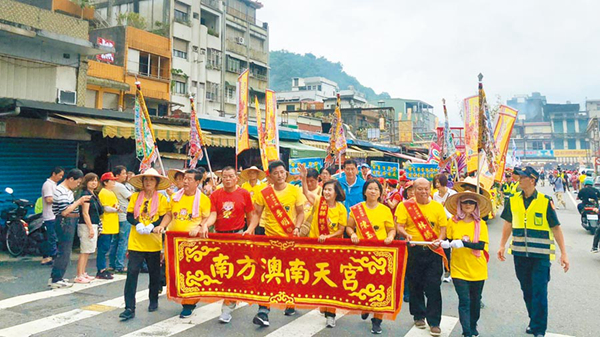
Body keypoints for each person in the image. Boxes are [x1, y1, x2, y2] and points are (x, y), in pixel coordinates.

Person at [498, 166, 569, 337]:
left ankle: (539, 329)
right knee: (527, 290)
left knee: (539, 292)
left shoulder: (545, 201)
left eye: (522, 177)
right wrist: (502, 245)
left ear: (532, 180)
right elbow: (508, 223)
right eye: (518, 177)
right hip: (520, 254)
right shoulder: (513, 199)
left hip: (541, 256)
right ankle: (534, 320)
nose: (519, 179)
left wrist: (564, 253)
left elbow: (556, 228)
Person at [244, 160, 306, 327]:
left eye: (282, 172)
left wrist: (298, 227)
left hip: (290, 239)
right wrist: (250, 229)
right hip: (270, 240)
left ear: (286, 173)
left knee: (289, 273)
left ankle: (290, 301)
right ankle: (263, 311)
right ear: (270, 176)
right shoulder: (264, 193)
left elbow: (300, 213)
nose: (280, 175)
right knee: (267, 274)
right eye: (276, 173)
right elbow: (256, 214)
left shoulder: (295, 191)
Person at [197, 166, 254, 323]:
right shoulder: (215, 195)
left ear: (236, 178)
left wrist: (250, 232)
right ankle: (231, 299)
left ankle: (227, 307)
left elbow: (250, 214)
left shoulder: (244, 194)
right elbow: (213, 214)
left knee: (234, 271)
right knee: (221, 271)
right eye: (225, 176)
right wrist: (205, 225)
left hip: (237, 236)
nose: (228, 179)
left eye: (231, 176)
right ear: (221, 178)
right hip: (220, 237)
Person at [155, 169, 211, 318]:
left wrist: (199, 227)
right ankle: (179, 296)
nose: (185, 181)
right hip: (174, 242)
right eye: (184, 179)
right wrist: (162, 226)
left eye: (189, 179)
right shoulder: (175, 197)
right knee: (175, 273)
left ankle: (189, 303)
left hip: (192, 245)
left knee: (190, 274)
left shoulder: (203, 199)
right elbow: (169, 214)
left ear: (198, 182)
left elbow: (207, 218)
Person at [395, 178, 448, 337]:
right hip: (414, 249)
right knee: (415, 283)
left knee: (433, 286)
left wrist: (439, 239)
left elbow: (443, 229)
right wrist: (406, 235)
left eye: (426, 189)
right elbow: (399, 225)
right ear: (414, 190)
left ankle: (434, 322)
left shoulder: (437, 207)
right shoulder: (405, 206)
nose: (423, 192)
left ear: (430, 189)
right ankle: (418, 315)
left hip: (432, 250)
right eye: (420, 189)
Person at [119, 168, 170, 321]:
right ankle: (129, 307)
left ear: (157, 183)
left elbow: (163, 217)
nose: (148, 182)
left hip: (153, 242)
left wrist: (151, 225)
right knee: (132, 274)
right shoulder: (135, 197)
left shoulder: (161, 199)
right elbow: (129, 215)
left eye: (152, 180)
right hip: (136, 242)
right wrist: (138, 224)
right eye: (146, 179)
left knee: (154, 275)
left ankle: (153, 299)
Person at [345, 179, 396, 334]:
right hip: (362, 255)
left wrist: (390, 237)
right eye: (370, 188)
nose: (373, 191)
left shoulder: (385, 210)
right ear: (365, 191)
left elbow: (391, 229)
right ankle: (365, 306)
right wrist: (353, 234)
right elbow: (349, 226)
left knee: (380, 286)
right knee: (363, 284)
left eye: (376, 189)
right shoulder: (356, 209)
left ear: (380, 193)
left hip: (380, 255)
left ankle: (377, 320)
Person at [443, 191, 492, 337]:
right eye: (465, 202)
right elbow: (449, 239)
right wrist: (446, 245)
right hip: (458, 267)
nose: (468, 205)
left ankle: (472, 324)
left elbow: (481, 245)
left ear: (476, 205)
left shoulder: (481, 224)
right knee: (464, 300)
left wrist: (463, 243)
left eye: (471, 202)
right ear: (460, 205)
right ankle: (466, 331)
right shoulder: (453, 221)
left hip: (477, 267)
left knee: (475, 301)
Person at [49, 169, 91, 288]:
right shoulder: (61, 191)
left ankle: (58, 276)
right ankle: (56, 278)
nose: (78, 185)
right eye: (77, 182)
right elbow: (64, 211)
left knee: (65, 250)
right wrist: (79, 202)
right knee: (64, 250)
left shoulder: (67, 190)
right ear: (71, 179)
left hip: (69, 221)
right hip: (65, 221)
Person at [74, 173, 103, 284]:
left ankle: (83, 272)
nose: (94, 183)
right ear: (86, 182)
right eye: (91, 180)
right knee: (85, 251)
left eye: (96, 180)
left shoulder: (93, 194)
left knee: (89, 250)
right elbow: (85, 213)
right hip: (86, 225)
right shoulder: (85, 195)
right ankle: (79, 275)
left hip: (93, 224)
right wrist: (90, 228)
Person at [432, 173, 457, 283]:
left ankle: (452, 271)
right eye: (435, 183)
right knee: (443, 247)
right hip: (440, 225)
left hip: (451, 222)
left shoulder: (453, 194)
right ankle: (445, 271)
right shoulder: (435, 195)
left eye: (439, 182)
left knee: (452, 247)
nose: (437, 185)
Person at [109, 165, 133, 273]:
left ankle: (112, 264)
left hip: (116, 216)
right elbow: (131, 198)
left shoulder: (112, 186)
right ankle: (119, 265)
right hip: (124, 216)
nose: (125, 175)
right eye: (123, 173)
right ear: (117, 175)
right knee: (123, 241)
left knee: (115, 241)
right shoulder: (120, 186)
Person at [96, 172, 119, 280]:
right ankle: (101, 269)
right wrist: (116, 209)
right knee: (103, 248)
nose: (114, 182)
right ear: (105, 182)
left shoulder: (110, 192)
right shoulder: (104, 192)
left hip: (111, 224)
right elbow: (105, 207)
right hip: (106, 224)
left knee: (106, 247)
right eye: (112, 180)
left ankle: (103, 268)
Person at [40, 166, 64, 266]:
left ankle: (49, 256)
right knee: (52, 237)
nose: (61, 177)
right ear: (53, 174)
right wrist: (61, 200)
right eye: (59, 175)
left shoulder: (54, 185)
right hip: (49, 215)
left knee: (52, 237)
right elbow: (48, 199)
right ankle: (52, 257)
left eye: (62, 176)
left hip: (54, 215)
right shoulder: (48, 185)